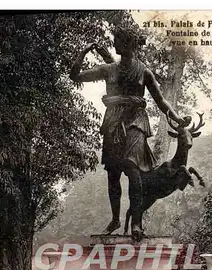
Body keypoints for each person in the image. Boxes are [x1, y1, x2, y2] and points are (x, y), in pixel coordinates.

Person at [70, 26, 190, 241]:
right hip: (113, 123)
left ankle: (136, 221)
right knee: (113, 173)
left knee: (133, 169)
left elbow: (161, 100)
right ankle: (116, 219)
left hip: (136, 122)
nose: (114, 45)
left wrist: (177, 118)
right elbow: (75, 76)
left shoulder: (144, 71)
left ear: (128, 44)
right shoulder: (108, 69)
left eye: (117, 41)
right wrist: (83, 52)